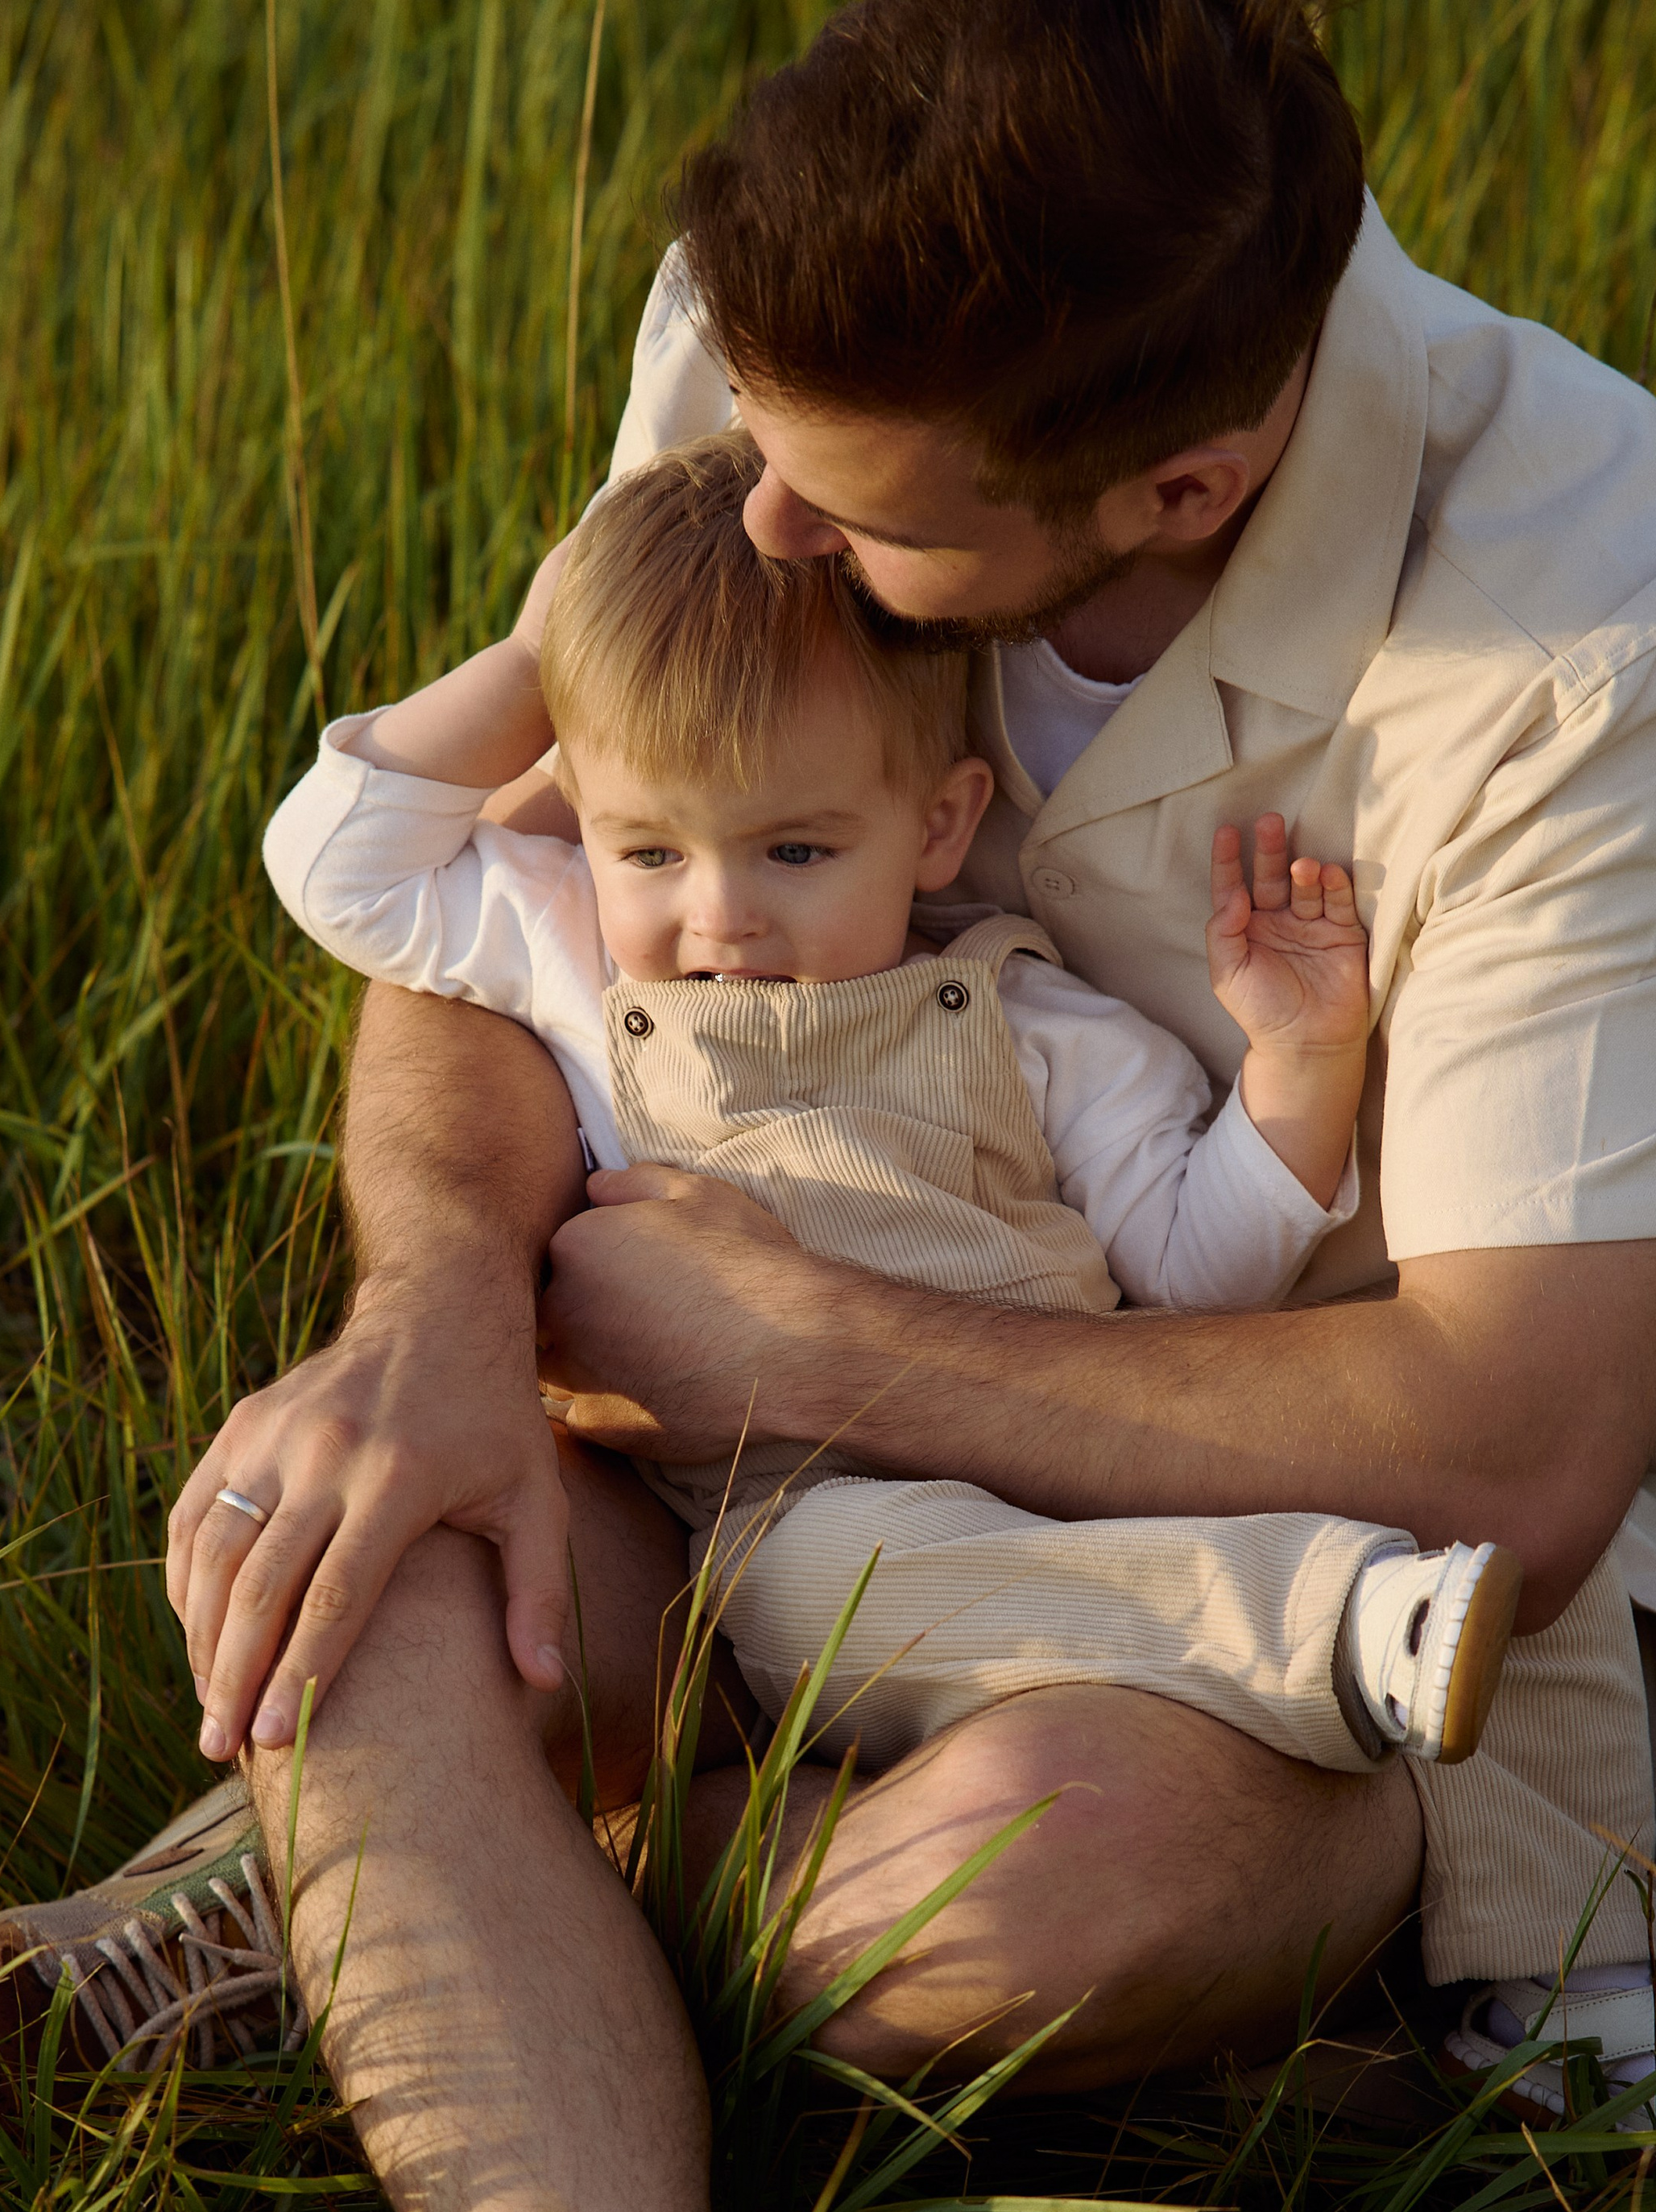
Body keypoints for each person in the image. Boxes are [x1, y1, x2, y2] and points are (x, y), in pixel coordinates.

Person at [0, 2, 1656, 2212]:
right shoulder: (811, 377)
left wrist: (837, 1350)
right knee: (356, 1539)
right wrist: (434, 1319)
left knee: (1003, 1915)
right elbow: (518, 901)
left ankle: (416, 1912)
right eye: (751, 440)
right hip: (734, 1471)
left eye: (853, 525)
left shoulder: (1605, 609)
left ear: (1179, 484)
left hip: (1302, 1554)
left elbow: (1513, 1446)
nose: (754, 525)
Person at [260, 425, 1522, 1785]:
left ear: (938, 824)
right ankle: (1347, 1627)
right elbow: (335, 864)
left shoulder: (1030, 1022)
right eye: (651, 850)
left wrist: (1300, 1065)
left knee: (1050, 1638)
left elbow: (1192, 1271)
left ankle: (1343, 1677)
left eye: (797, 849)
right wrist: (539, 661)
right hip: (809, 1519)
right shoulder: (568, 952)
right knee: (828, 1586)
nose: (720, 914)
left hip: (1077, 1461)